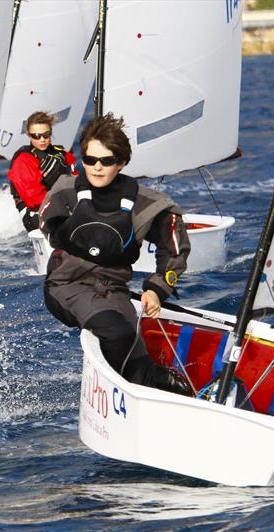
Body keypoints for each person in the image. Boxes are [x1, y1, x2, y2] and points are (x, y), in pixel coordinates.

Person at [39, 113, 191, 395]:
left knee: (133, 350)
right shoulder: (65, 191)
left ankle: (159, 395)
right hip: (66, 286)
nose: (97, 168)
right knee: (117, 332)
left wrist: (157, 289)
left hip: (114, 290)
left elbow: (175, 249)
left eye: (107, 161)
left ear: (121, 162)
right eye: (90, 159)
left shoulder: (148, 204)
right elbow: (47, 223)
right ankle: (148, 384)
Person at [7, 111, 77, 231]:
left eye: (46, 134)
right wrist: (62, 204)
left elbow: (75, 180)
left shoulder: (62, 155)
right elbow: (32, 198)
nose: (42, 139)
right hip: (35, 213)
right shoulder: (24, 159)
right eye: (36, 136)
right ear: (29, 135)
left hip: (65, 206)